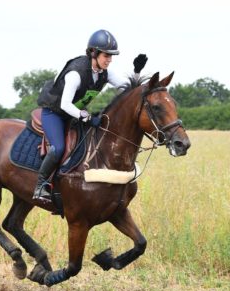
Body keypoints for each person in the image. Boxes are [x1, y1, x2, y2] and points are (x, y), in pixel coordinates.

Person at [33, 29, 148, 202]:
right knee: (58, 148)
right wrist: (86, 117)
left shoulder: (103, 73)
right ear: (94, 53)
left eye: (111, 56)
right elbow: (65, 105)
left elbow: (128, 88)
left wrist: (136, 72)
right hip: (54, 113)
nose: (109, 60)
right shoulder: (76, 73)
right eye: (106, 55)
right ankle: (40, 185)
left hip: (73, 115)